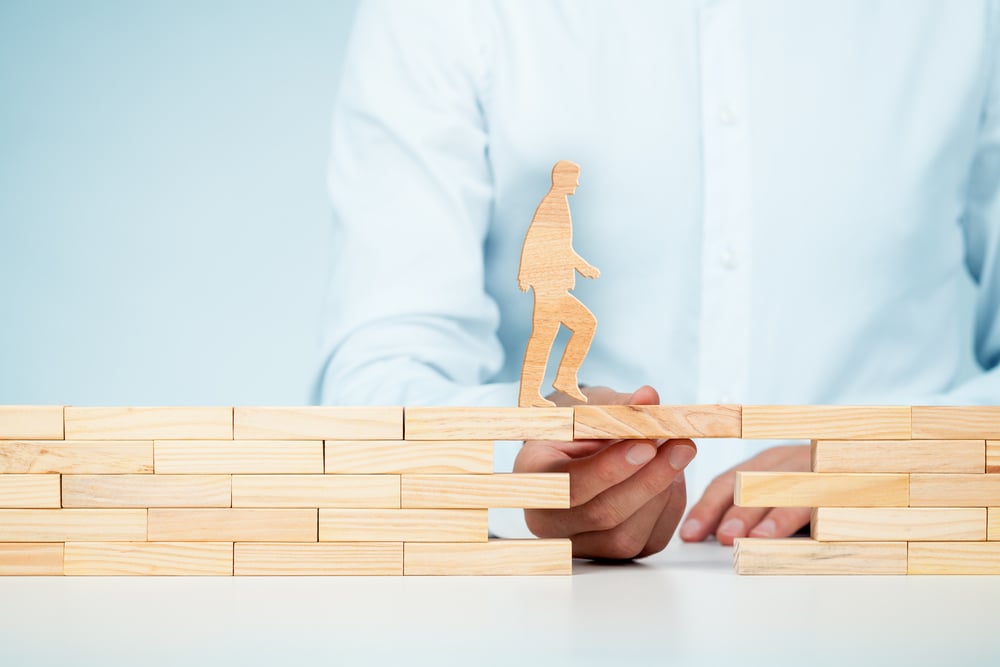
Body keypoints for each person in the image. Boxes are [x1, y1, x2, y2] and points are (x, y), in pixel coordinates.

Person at [318, 0, 1000, 559]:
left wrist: (912, 462)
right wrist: (521, 473)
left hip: (914, 598)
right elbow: (373, 391)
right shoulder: (441, 16)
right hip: (560, 624)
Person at [518, 159, 599, 407]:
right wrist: (525, 274)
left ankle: (548, 385)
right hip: (549, 288)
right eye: (574, 177)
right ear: (562, 179)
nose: (577, 182)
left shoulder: (557, 205)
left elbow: (558, 247)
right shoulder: (553, 206)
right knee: (580, 326)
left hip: (551, 286)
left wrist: (582, 266)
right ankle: (551, 384)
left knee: (547, 336)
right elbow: (537, 241)